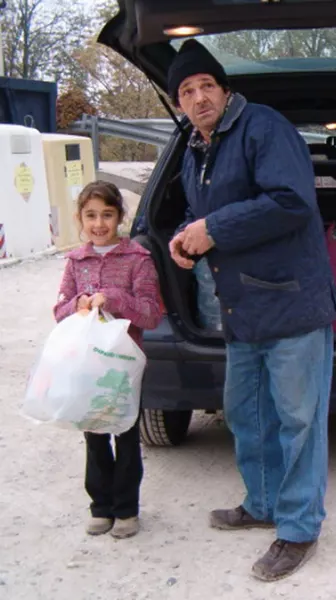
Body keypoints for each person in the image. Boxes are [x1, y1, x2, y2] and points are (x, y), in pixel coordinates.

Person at [167, 40, 336, 581]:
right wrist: (184, 236)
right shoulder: (196, 148)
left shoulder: (264, 127)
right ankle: (262, 502)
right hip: (241, 309)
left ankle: (298, 527)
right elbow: (199, 214)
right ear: (179, 103)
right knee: (247, 414)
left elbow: (292, 200)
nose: (199, 98)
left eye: (206, 86)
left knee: (298, 420)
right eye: (187, 91)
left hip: (291, 303)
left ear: (225, 89)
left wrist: (211, 230)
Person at [54, 181, 162, 539]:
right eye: (90, 215)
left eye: (107, 215)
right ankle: (100, 506)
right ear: (80, 218)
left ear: (119, 216)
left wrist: (113, 298)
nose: (98, 223)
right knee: (94, 436)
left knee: (127, 435)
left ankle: (127, 509)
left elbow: (150, 314)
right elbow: (59, 310)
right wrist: (78, 304)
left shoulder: (138, 260)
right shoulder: (75, 261)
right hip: (87, 365)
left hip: (123, 367)